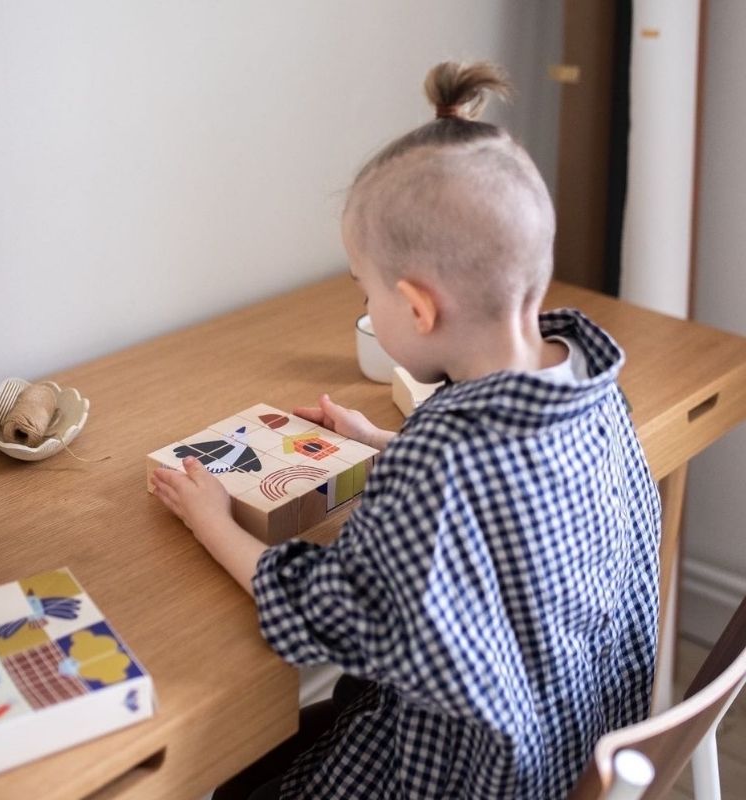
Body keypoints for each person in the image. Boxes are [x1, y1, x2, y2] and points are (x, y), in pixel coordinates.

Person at [152, 60, 661, 800]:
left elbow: (324, 612)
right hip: (574, 750)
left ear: (418, 308)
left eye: (364, 289)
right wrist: (384, 444)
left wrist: (212, 520)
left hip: (470, 777)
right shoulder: (589, 387)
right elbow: (506, 491)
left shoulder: (442, 463)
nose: (363, 303)